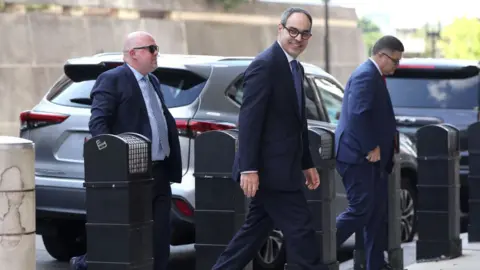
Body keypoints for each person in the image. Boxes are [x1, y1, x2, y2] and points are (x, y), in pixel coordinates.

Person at [212, 7, 325, 270]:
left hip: (284, 168)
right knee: (302, 234)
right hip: (269, 171)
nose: (298, 38)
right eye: (293, 31)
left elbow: (298, 122)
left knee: (252, 235)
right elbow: (250, 122)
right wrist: (249, 168)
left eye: (305, 33)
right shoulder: (265, 65)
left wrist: (306, 162)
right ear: (280, 28)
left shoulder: (295, 68)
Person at [69, 31, 182, 270]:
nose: (156, 54)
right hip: (131, 175)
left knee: (161, 235)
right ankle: (85, 264)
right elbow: (98, 124)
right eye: (151, 49)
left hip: (159, 172)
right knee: (124, 237)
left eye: (156, 48)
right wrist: (112, 162)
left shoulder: (153, 81)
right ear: (133, 54)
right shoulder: (112, 79)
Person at [334, 35, 404, 270]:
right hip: (358, 157)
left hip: (372, 160)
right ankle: (315, 250)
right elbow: (358, 113)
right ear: (382, 55)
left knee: (375, 214)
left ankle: (375, 264)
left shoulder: (374, 75)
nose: (397, 66)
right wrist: (370, 146)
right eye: (395, 61)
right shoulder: (366, 75)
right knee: (360, 210)